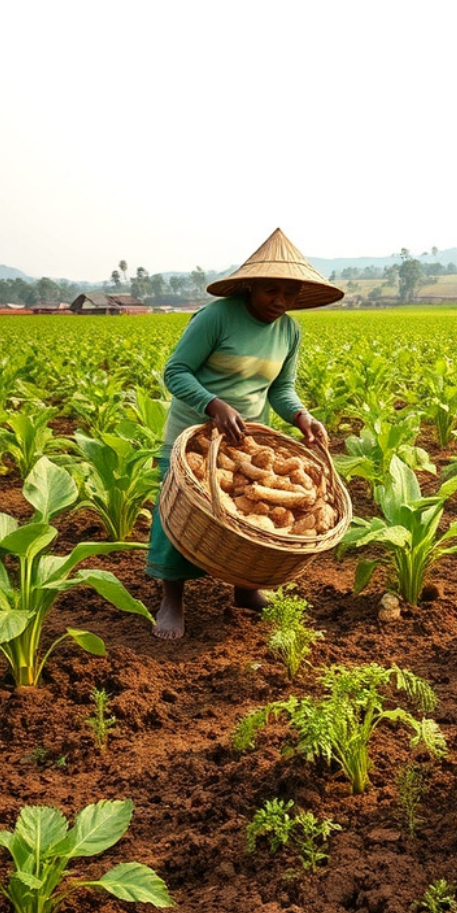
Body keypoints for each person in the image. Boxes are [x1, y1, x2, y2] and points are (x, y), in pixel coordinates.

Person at [149, 228, 341, 640]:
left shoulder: (288, 331)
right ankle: (171, 598)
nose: (281, 301)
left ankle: (246, 589)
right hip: (195, 433)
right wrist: (213, 405)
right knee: (180, 511)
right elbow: (176, 372)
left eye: (289, 294)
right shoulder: (216, 317)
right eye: (272, 290)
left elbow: (280, 389)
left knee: (249, 518)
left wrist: (302, 417)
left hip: (249, 439)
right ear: (250, 285)